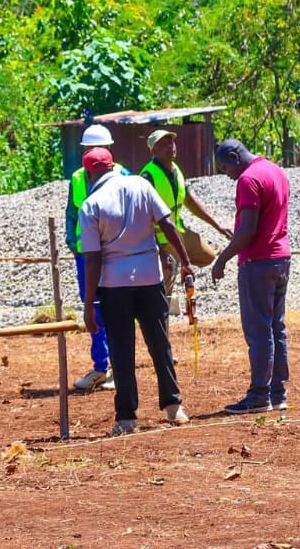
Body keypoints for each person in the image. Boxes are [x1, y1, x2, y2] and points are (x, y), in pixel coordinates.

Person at [77, 147, 194, 436]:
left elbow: (93, 259)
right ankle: (173, 406)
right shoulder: (141, 185)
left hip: (114, 284)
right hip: (149, 276)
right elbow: (167, 224)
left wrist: (89, 303)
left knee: (121, 349)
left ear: (89, 174)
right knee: (159, 343)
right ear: (112, 165)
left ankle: (126, 417)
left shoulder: (91, 205)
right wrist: (185, 262)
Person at [209, 139, 292, 415]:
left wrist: (222, 259)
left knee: (259, 331)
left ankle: (258, 396)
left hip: (258, 262)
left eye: (225, 168)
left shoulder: (248, 180)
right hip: (281, 258)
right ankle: (277, 393)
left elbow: (247, 230)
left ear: (235, 157)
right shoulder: (276, 171)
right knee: (276, 327)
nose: (227, 175)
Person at [64, 123, 129, 393]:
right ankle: (101, 367)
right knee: (94, 310)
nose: (95, 153)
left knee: (117, 309)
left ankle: (117, 367)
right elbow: (71, 214)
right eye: (90, 148)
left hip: (114, 254)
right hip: (87, 256)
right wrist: (73, 244)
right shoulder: (78, 178)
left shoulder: (123, 175)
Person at [140, 129, 232, 307]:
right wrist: (160, 251)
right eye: (164, 144)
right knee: (164, 287)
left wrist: (218, 226)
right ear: (153, 150)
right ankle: (161, 314)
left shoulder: (176, 170)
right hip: (160, 240)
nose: (170, 147)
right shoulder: (147, 176)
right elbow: (142, 219)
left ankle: (181, 265)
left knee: (208, 255)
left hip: (178, 232)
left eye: (171, 143)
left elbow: (190, 201)